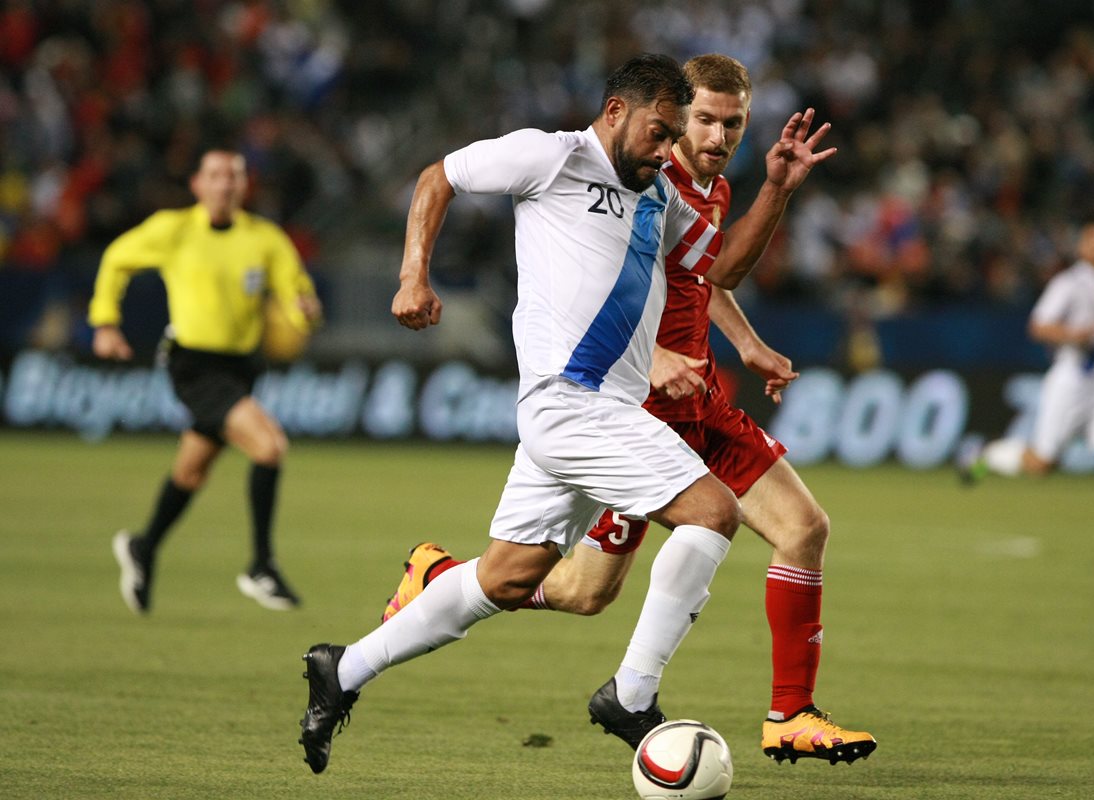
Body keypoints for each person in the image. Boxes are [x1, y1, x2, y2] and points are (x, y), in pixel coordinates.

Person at [298, 53, 833, 775]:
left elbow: (723, 269)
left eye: (676, 133)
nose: (666, 149)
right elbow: (438, 178)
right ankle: (631, 694)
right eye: (659, 131)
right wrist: (413, 274)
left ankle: (343, 668)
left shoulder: (659, 194)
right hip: (570, 403)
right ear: (617, 112)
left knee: (508, 579)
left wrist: (775, 188)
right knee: (713, 512)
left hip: (597, 413)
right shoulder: (549, 157)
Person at [90, 149, 322, 614]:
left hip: (242, 367)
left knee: (191, 471)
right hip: (193, 364)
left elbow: (296, 291)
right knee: (269, 445)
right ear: (196, 184)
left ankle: (144, 546)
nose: (225, 184)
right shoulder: (173, 229)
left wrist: (304, 313)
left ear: (244, 185)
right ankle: (261, 564)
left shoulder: (263, 238)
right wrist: (105, 323)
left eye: (234, 176)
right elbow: (117, 258)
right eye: (215, 175)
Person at [959, 218, 1094, 567]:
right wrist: (1074, 335)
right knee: (1041, 464)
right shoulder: (1069, 283)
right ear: (1083, 247)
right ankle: (986, 455)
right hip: (1071, 385)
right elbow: (1039, 325)